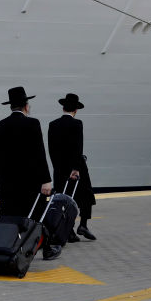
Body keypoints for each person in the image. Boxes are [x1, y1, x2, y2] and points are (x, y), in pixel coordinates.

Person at [0, 86, 61, 260]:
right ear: (26, 106)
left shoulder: (0, 126)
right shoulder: (32, 123)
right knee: (37, 216)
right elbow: (39, 153)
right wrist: (46, 180)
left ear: (11, 106)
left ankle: (6, 247)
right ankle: (45, 248)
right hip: (29, 183)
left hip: (7, 183)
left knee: (8, 217)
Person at [48, 93, 98, 241]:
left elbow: (52, 149)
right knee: (86, 195)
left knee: (64, 199)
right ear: (75, 110)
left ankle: (68, 230)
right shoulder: (77, 124)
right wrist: (76, 168)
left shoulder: (53, 124)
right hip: (76, 167)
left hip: (60, 169)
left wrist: (57, 168)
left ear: (63, 108)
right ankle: (83, 225)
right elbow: (78, 147)